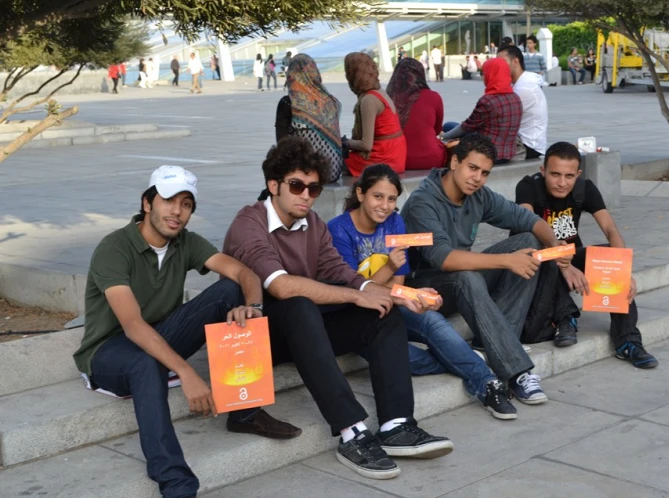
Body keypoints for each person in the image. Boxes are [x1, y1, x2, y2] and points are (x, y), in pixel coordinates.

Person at [222, 137, 454, 480]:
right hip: (259, 337)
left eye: (313, 188)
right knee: (300, 304)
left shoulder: (312, 224)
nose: (305, 195)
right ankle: (352, 433)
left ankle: (396, 425)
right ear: (273, 185)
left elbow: (339, 273)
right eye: (296, 185)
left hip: (307, 332)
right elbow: (281, 285)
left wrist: (395, 294)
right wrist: (355, 296)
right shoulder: (250, 222)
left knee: (382, 309)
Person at [72, 165, 301, 498]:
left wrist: (253, 308)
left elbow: (243, 272)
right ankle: (176, 482)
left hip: (160, 336)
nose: (177, 211)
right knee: (145, 363)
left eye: (187, 204)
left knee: (229, 292)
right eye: (168, 201)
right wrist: (185, 370)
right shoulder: (115, 247)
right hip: (109, 351)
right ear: (147, 203)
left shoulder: (185, 242)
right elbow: (133, 326)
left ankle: (244, 411)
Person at [328, 164, 517, 420]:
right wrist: (390, 268)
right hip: (359, 314)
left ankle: (487, 384)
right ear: (361, 194)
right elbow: (358, 288)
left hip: (391, 299)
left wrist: (412, 295)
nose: (384, 205)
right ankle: (461, 357)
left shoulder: (395, 221)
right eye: (378, 196)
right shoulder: (338, 230)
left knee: (432, 320)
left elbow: (399, 280)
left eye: (392, 199)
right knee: (412, 360)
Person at [401, 133, 563, 406]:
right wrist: (506, 260)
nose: (477, 178)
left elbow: (526, 218)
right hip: (423, 290)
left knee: (528, 243)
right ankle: (517, 371)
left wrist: (556, 246)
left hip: (461, 280)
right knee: (468, 275)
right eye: (472, 168)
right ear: (454, 163)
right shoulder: (423, 202)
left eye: (485, 173)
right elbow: (444, 258)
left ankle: (493, 342)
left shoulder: (479, 196)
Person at [515, 142, 658, 368]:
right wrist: (564, 265)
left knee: (609, 254)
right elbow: (529, 224)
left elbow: (610, 229)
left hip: (570, 256)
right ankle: (565, 319)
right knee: (549, 256)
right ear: (543, 171)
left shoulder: (585, 189)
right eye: (555, 174)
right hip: (534, 261)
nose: (562, 183)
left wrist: (623, 271)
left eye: (569, 176)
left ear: (578, 174)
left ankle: (627, 342)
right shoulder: (527, 187)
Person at [275, 53, 343, 183]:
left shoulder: (289, 103)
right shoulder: (331, 101)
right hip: (332, 171)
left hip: (304, 172)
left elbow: (282, 145)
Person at [441, 58, 522, 163]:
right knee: (452, 126)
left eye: (484, 73)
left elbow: (466, 127)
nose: (483, 77)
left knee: (448, 126)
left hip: (488, 152)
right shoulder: (516, 98)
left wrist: (442, 137)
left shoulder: (488, 101)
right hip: (508, 153)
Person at [343, 52, 407, 177]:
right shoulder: (379, 92)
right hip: (396, 154)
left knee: (335, 161)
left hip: (384, 158)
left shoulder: (369, 100)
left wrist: (344, 142)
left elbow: (366, 145)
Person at [386, 58, 447, 170]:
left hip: (397, 159)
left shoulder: (388, 98)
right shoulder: (433, 96)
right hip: (431, 158)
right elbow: (437, 130)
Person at [497, 45, 548, 161]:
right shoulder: (520, 84)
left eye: (502, 63)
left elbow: (497, 121)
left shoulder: (524, 88)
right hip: (521, 141)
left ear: (515, 62)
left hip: (527, 146)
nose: (499, 67)